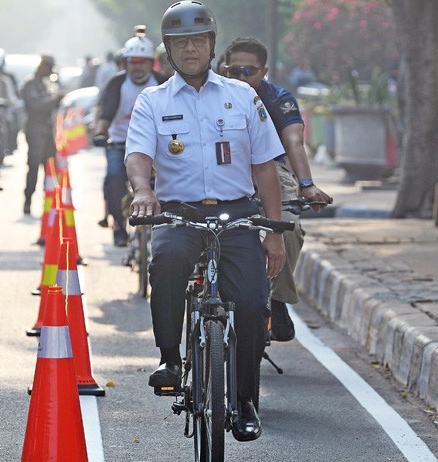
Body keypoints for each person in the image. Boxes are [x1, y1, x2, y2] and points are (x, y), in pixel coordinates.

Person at [126, 1, 285, 442]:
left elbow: (265, 167)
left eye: (198, 40)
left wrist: (273, 232)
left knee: (253, 303)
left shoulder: (242, 96)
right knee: (167, 263)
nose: (191, 49)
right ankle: (171, 359)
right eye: (181, 43)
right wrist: (144, 191)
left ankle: (247, 399)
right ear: (169, 51)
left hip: (237, 213)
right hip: (180, 213)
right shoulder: (152, 101)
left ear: (212, 45)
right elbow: (137, 155)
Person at [222, 37, 333, 342]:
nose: (241, 77)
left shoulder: (279, 99)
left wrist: (306, 184)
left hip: (272, 170)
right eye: (234, 70)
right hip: (222, 171)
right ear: (224, 68)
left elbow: (294, 142)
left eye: (249, 70)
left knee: (290, 226)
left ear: (264, 71)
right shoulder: (207, 93)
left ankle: (278, 299)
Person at [93, 33, 166, 247]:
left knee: (168, 182)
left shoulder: (162, 83)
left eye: (142, 62)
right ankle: (118, 223)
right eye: (132, 62)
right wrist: (100, 133)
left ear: (151, 63)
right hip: (120, 143)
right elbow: (106, 114)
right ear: (125, 63)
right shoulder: (116, 83)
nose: (137, 67)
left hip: (155, 146)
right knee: (114, 178)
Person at [21, 55, 64, 215]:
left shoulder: (46, 83)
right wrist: (54, 99)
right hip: (35, 129)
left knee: (50, 167)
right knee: (33, 167)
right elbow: (36, 105)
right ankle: (28, 201)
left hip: (46, 130)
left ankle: (50, 202)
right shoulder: (30, 84)